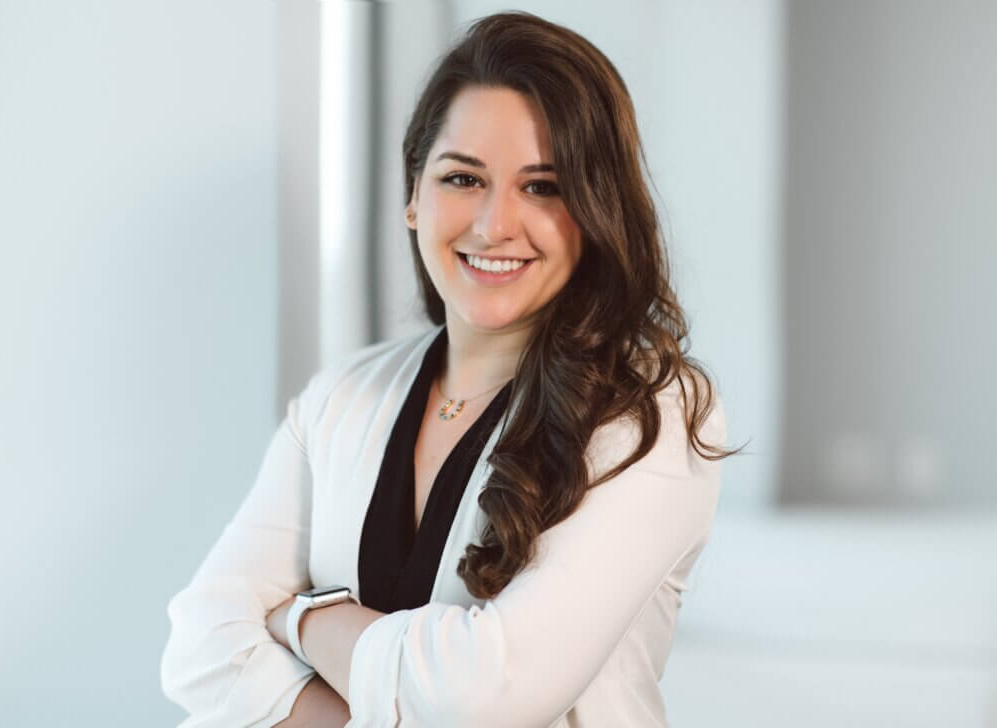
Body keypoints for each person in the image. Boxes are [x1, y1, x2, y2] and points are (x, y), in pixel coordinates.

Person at [160, 10, 745, 728]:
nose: (494, 224)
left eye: (543, 187)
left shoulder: (650, 413)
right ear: (414, 198)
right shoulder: (341, 396)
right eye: (464, 178)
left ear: (597, 210)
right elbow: (199, 646)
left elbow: (487, 695)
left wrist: (304, 619)